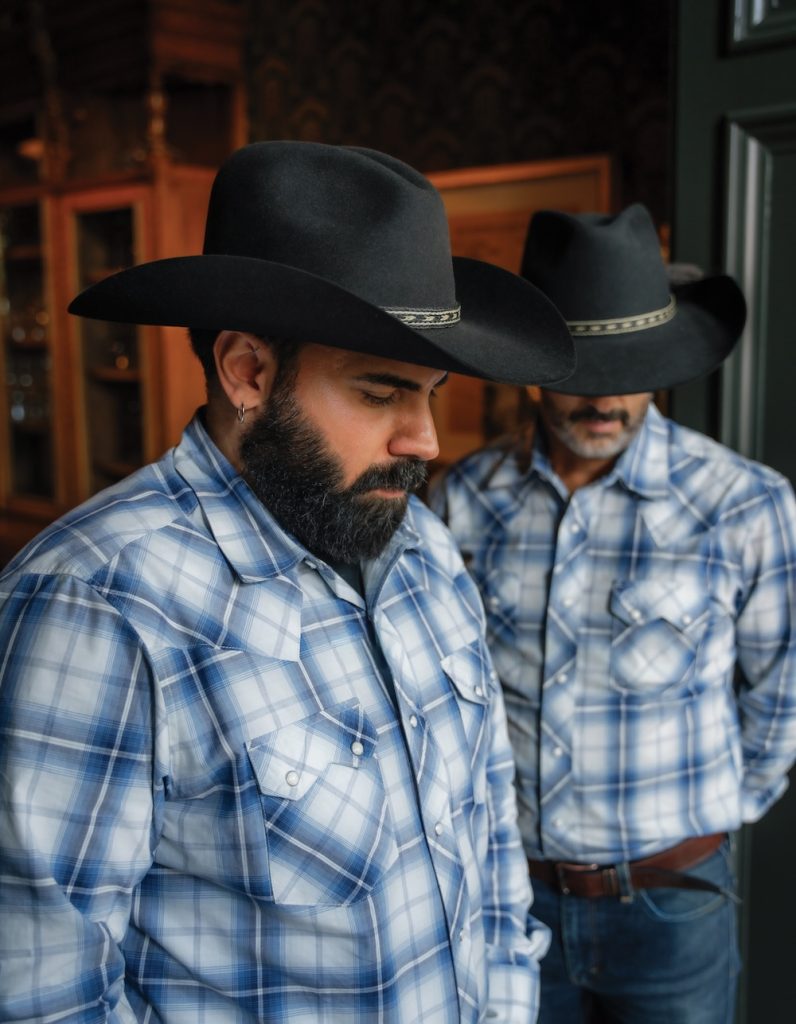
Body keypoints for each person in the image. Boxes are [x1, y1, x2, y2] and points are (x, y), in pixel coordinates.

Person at [0, 141, 577, 1023]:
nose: (424, 439)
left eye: (430, 393)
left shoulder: (423, 546)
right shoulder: (97, 602)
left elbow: (488, 833)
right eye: (381, 393)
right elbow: (44, 989)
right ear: (249, 372)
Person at [429, 203, 796, 1024]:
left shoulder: (744, 504)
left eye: (630, 367)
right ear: (531, 368)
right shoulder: (461, 499)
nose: (606, 398)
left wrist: (711, 818)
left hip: (674, 902)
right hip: (510, 899)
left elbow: (785, 689)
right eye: (580, 370)